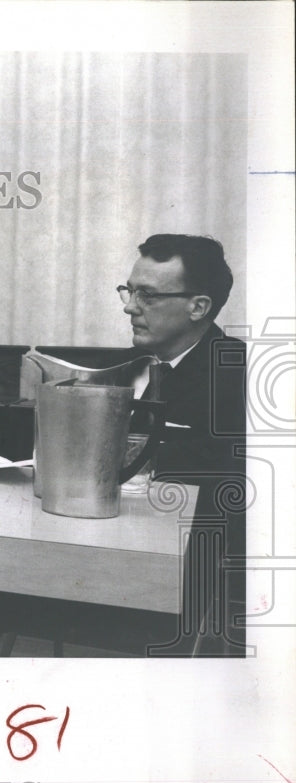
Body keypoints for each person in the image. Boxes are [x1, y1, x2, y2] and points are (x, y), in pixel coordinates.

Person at [119, 233, 246, 655]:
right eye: (130, 290)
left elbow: (230, 482)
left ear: (198, 307)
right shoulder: (135, 368)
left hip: (200, 570)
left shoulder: (237, 373)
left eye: (148, 296)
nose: (129, 306)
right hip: (138, 549)